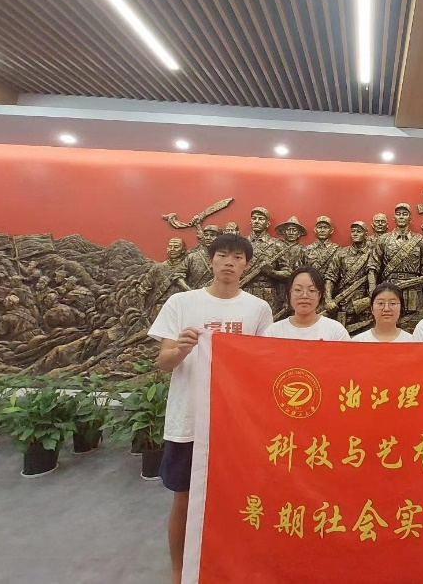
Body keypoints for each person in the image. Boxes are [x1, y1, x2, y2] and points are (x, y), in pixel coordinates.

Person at [149, 234, 273, 584]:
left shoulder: (257, 310)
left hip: (235, 423)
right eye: (222, 255)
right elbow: (163, 361)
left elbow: (263, 364)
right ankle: (180, 571)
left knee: (237, 499)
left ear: (247, 264)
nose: (229, 262)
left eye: (237, 257)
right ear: (211, 260)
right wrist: (181, 350)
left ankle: (231, 567)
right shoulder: (182, 302)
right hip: (190, 418)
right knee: (184, 499)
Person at [264, 266, 350, 340]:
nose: (304, 296)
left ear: (319, 295)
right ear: (289, 294)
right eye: (298, 290)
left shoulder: (335, 331)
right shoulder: (273, 332)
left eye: (311, 290)